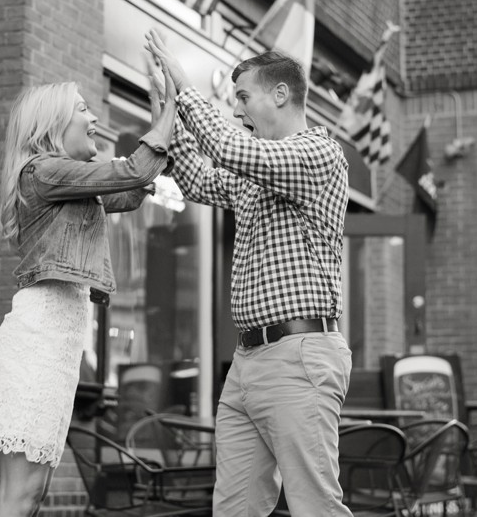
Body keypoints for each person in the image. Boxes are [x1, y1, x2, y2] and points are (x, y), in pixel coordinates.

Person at [145, 29, 355, 517]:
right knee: (234, 508)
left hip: (298, 354)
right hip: (247, 363)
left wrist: (184, 86)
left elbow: (226, 147)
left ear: (280, 94)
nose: (237, 109)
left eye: (243, 97)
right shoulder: (254, 173)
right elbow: (197, 177)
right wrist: (165, 104)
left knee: (315, 506)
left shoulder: (319, 154)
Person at [0, 78, 176, 517]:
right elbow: (133, 172)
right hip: (38, 340)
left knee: (36, 490)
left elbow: (130, 189)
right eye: (83, 109)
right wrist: (163, 120)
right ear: (51, 124)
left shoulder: (70, 186)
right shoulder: (43, 171)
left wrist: (163, 132)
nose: (94, 118)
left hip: (56, 346)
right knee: (21, 494)